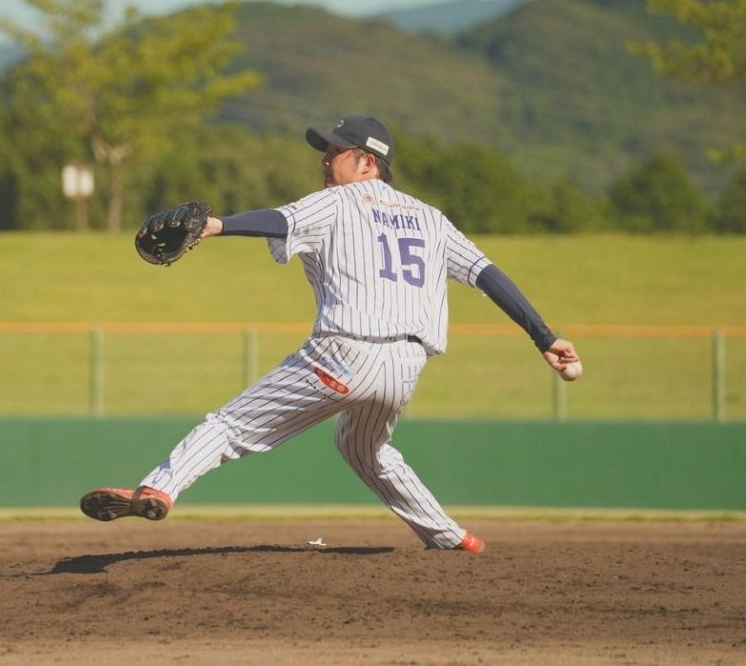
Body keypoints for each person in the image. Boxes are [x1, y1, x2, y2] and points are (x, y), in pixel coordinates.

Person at [80, 116, 581, 554]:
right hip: (406, 367)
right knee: (367, 451)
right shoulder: (431, 218)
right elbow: (488, 275)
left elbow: (280, 220)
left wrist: (215, 225)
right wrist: (544, 336)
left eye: (335, 151)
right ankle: (451, 537)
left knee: (230, 426)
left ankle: (158, 490)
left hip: (343, 354)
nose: (325, 161)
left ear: (367, 163)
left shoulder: (338, 202)